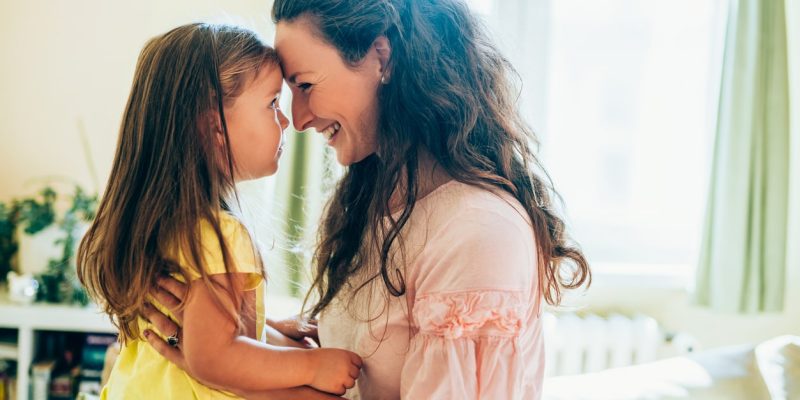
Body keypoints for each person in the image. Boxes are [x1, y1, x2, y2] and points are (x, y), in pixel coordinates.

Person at [146, 0, 591, 398]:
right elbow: (364, 372)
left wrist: (217, 371)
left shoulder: (477, 231)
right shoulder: (374, 203)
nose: (298, 120)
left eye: (304, 85)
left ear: (380, 56)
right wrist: (242, 335)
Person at [76, 23, 362, 400]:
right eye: (273, 103)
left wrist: (270, 329)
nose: (286, 121)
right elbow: (213, 356)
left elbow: (214, 331)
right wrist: (312, 365)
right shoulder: (218, 233)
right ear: (214, 127)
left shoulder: (169, 226)